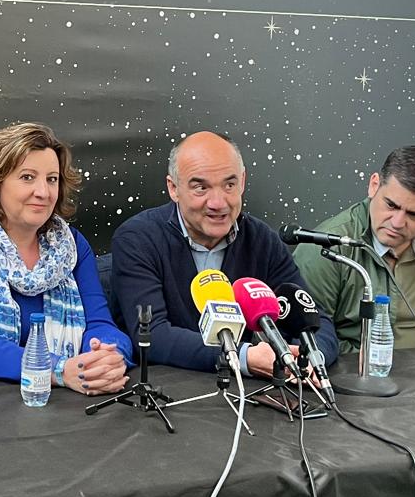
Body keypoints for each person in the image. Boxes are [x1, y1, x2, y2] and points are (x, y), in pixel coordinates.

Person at [0, 122, 132, 394]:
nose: (43, 192)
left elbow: (100, 324)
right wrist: (56, 370)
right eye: (27, 177)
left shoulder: (74, 245)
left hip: (54, 399)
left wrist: (108, 357)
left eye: (52, 179)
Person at [109, 131, 338, 373]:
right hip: (168, 394)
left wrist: (312, 356)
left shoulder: (263, 241)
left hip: (252, 399)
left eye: (229, 185)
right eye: (201, 188)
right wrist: (242, 357)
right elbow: (153, 336)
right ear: (173, 188)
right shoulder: (137, 239)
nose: (218, 202)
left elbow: (315, 321)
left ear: (243, 182)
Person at [295, 145, 415, 354]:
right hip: (348, 377)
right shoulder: (326, 248)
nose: (398, 222)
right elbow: (306, 337)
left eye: (414, 214)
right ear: (374, 185)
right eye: (391, 205)